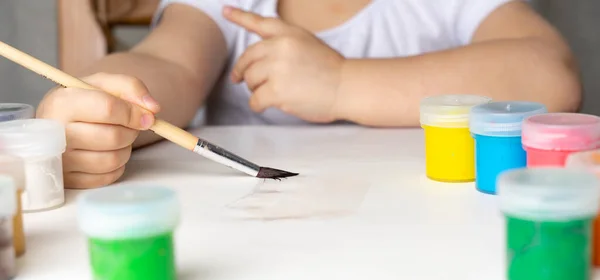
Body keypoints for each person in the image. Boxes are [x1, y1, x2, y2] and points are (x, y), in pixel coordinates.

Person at [37, 0, 581, 189]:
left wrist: (343, 83)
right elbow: (164, 64)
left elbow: (548, 74)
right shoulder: (225, 8)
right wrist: (101, 100)